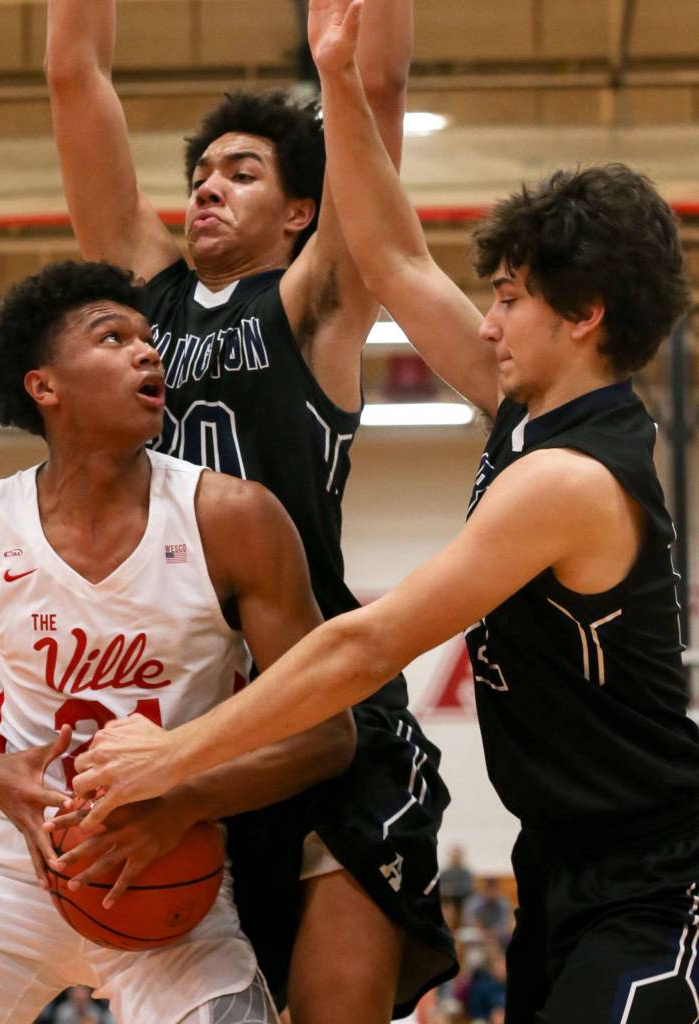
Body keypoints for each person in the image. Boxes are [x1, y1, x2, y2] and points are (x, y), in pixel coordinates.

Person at [70, 3, 699, 1021]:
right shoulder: (528, 409)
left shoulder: (567, 479)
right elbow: (396, 259)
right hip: (562, 862)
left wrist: (179, 753)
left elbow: (366, 644)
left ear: (580, 317)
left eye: (507, 297)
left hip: (657, 871)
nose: (483, 318)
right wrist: (342, 76)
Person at [45, 2, 457, 1019]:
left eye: (240, 173)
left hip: (323, 717)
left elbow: (381, 89)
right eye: (200, 175)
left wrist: (341, 60)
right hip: (196, 728)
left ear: (300, 212)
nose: (207, 188)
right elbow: (75, 79)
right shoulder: (145, 310)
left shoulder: (315, 302)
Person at [0, 260, 359, 1024]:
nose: (149, 352)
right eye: (115, 338)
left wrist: (186, 799)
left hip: (169, 860)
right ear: (45, 386)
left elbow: (328, 735)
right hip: (16, 862)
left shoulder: (231, 519)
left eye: (149, 338)